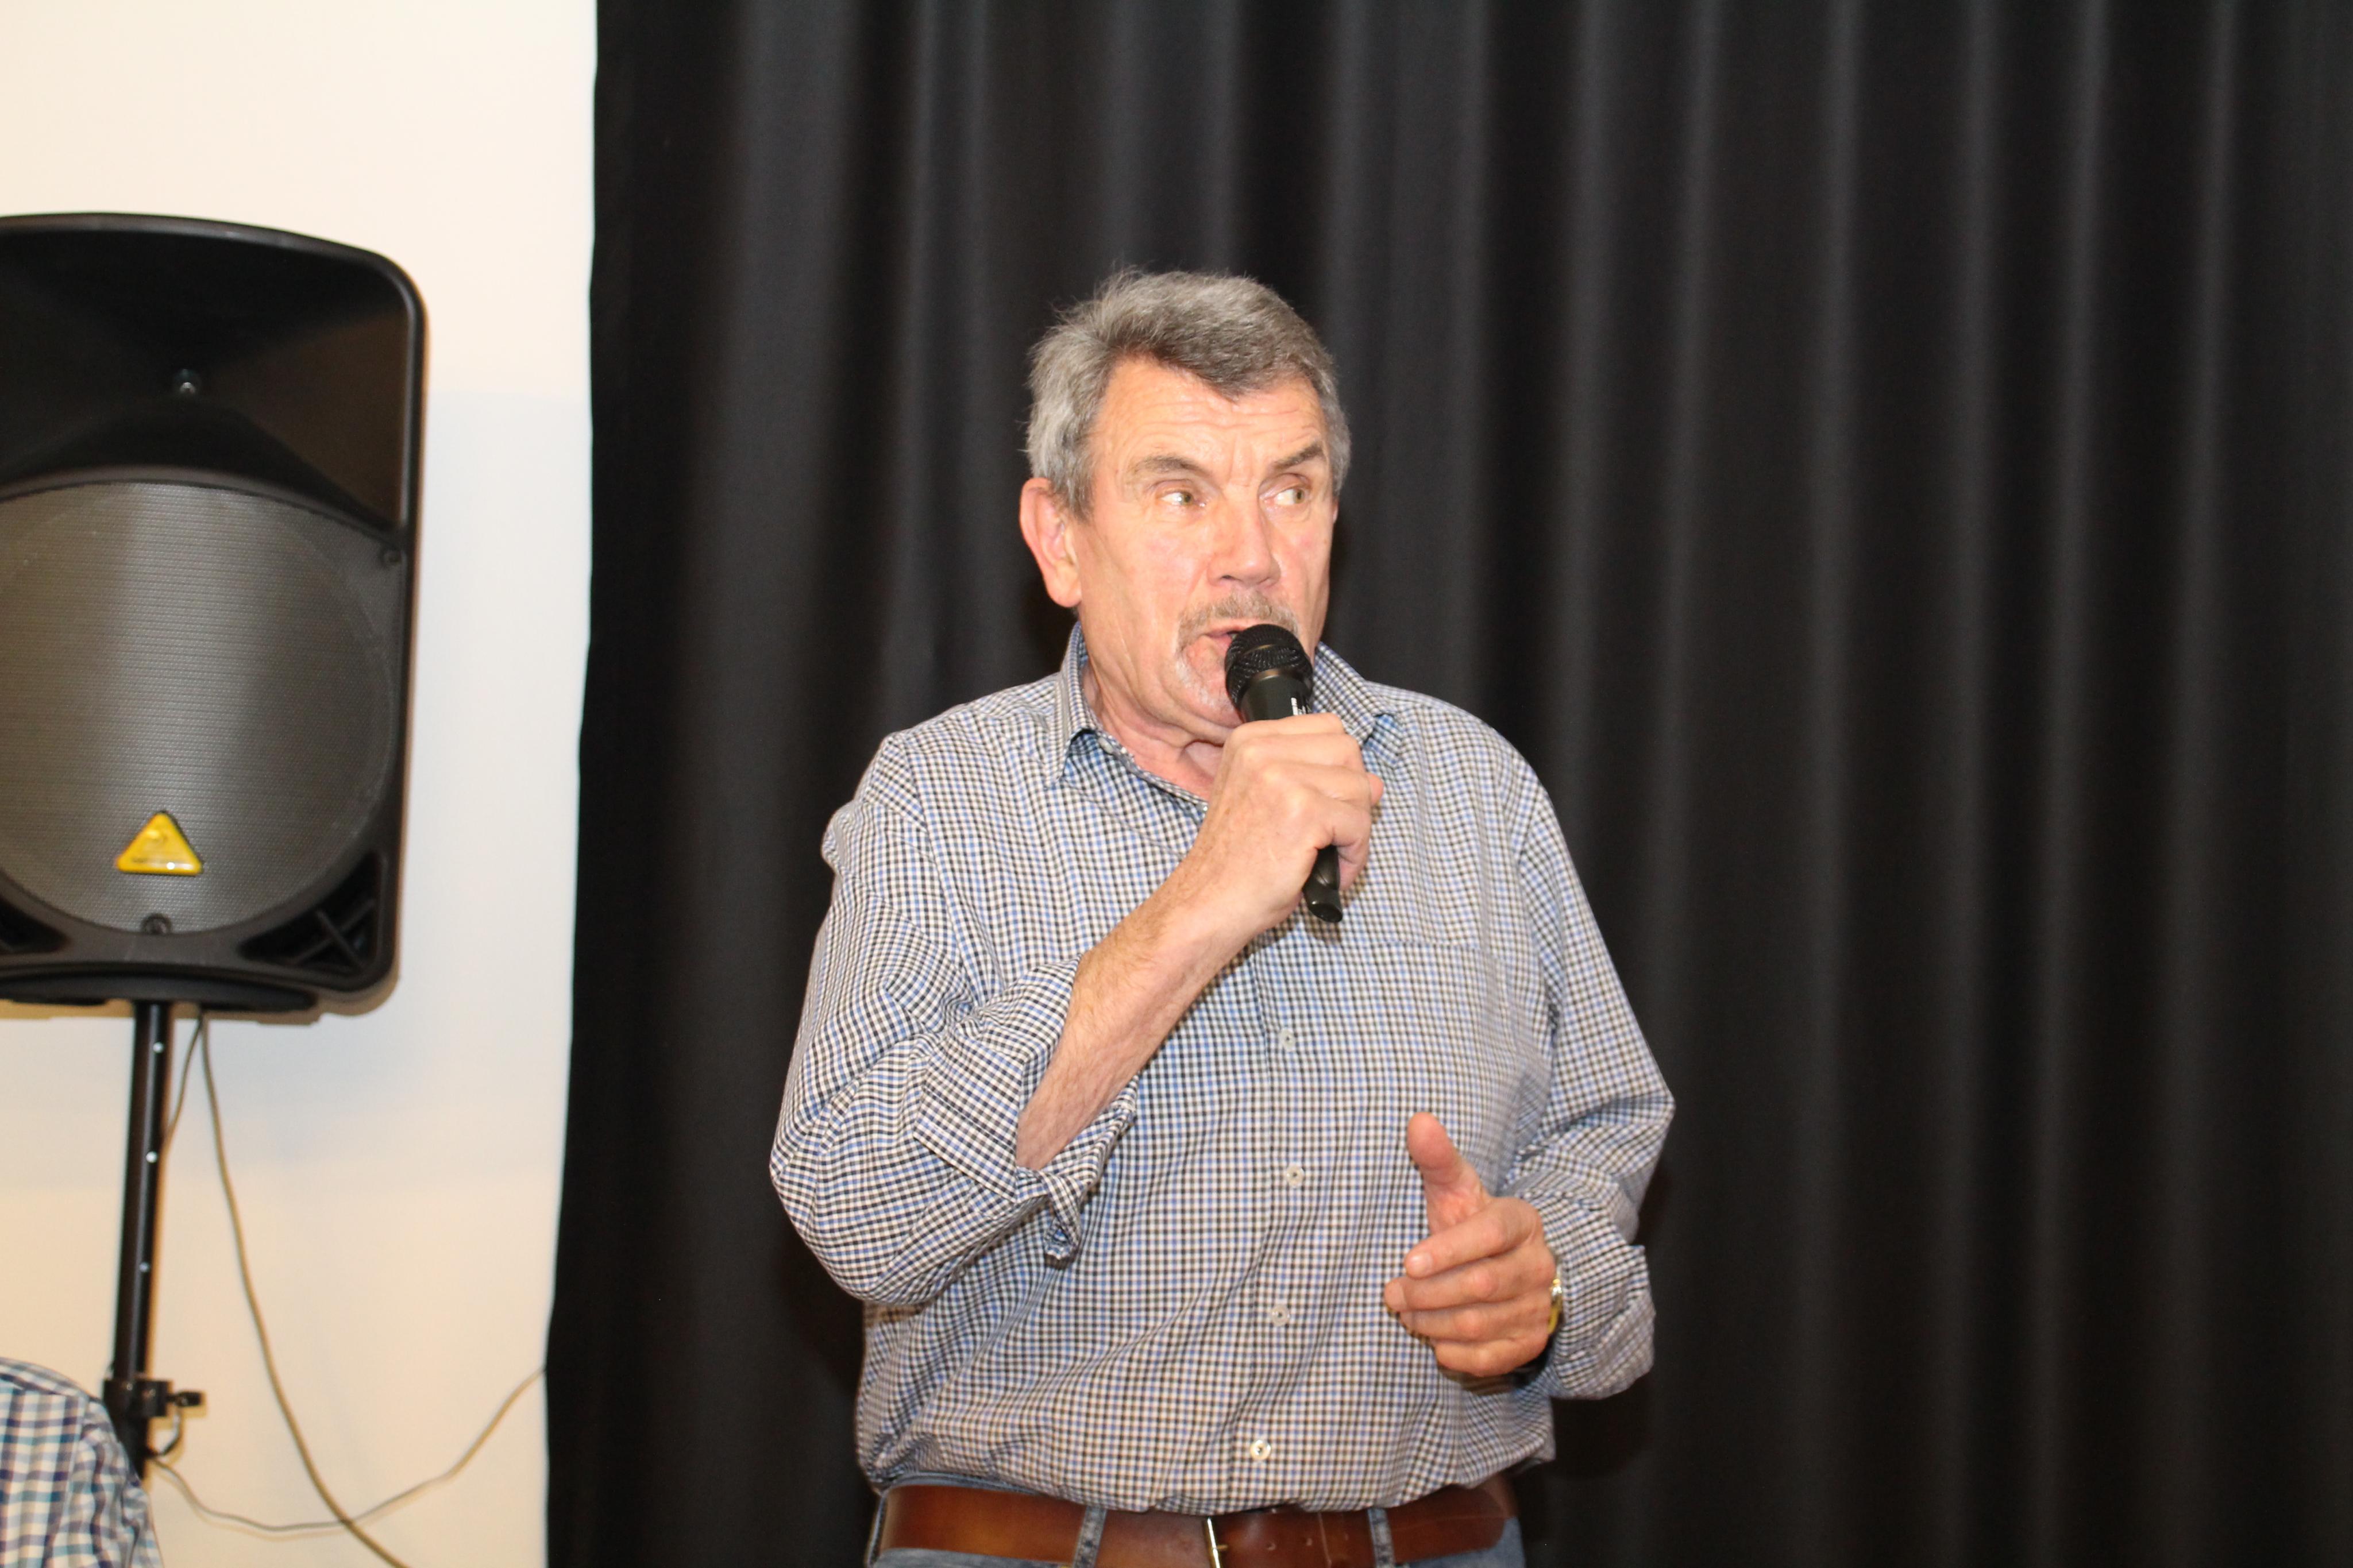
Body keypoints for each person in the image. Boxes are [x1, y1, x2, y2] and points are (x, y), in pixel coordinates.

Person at [773, 270, 1671, 1568]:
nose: (1250, 555)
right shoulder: (939, 799)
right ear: (1060, 538)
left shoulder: (1474, 788)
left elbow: (1606, 1135)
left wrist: (1545, 1287)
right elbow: (858, 1210)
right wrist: (1203, 899)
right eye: (1180, 494)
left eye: (1290, 492)